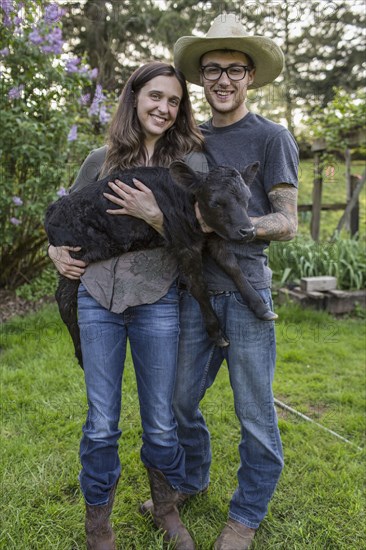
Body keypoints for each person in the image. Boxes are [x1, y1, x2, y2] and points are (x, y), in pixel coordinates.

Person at [139, 13, 299, 550]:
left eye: (234, 69)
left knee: (254, 413)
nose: (223, 79)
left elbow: (289, 221)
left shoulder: (271, 138)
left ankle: (246, 514)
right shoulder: (185, 139)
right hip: (192, 293)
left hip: (246, 291)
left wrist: (235, 224)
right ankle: (191, 478)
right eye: (212, 69)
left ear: (250, 76)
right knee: (182, 400)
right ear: (201, 78)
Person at [48, 61, 205, 550]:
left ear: (180, 110)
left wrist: (155, 216)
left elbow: (198, 239)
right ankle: (99, 524)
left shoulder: (188, 166)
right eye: (155, 96)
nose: (163, 107)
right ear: (134, 98)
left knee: (160, 419)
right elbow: (67, 214)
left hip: (156, 299)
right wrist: (54, 250)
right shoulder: (99, 159)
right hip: (97, 299)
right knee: (101, 422)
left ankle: (165, 508)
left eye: (173, 101)